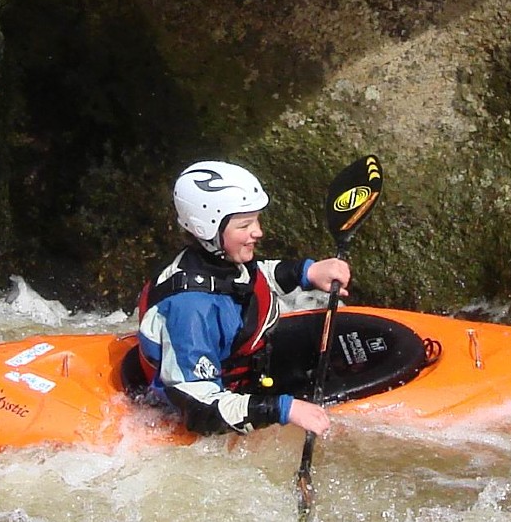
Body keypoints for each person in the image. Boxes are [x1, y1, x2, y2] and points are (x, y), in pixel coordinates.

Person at [134, 161, 351, 437]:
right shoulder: (190, 309)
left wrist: (306, 272)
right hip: (206, 404)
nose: (258, 231)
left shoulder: (220, 262)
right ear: (206, 229)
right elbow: (198, 405)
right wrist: (280, 410)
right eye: (245, 225)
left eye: (257, 220)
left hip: (245, 371)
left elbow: (251, 281)